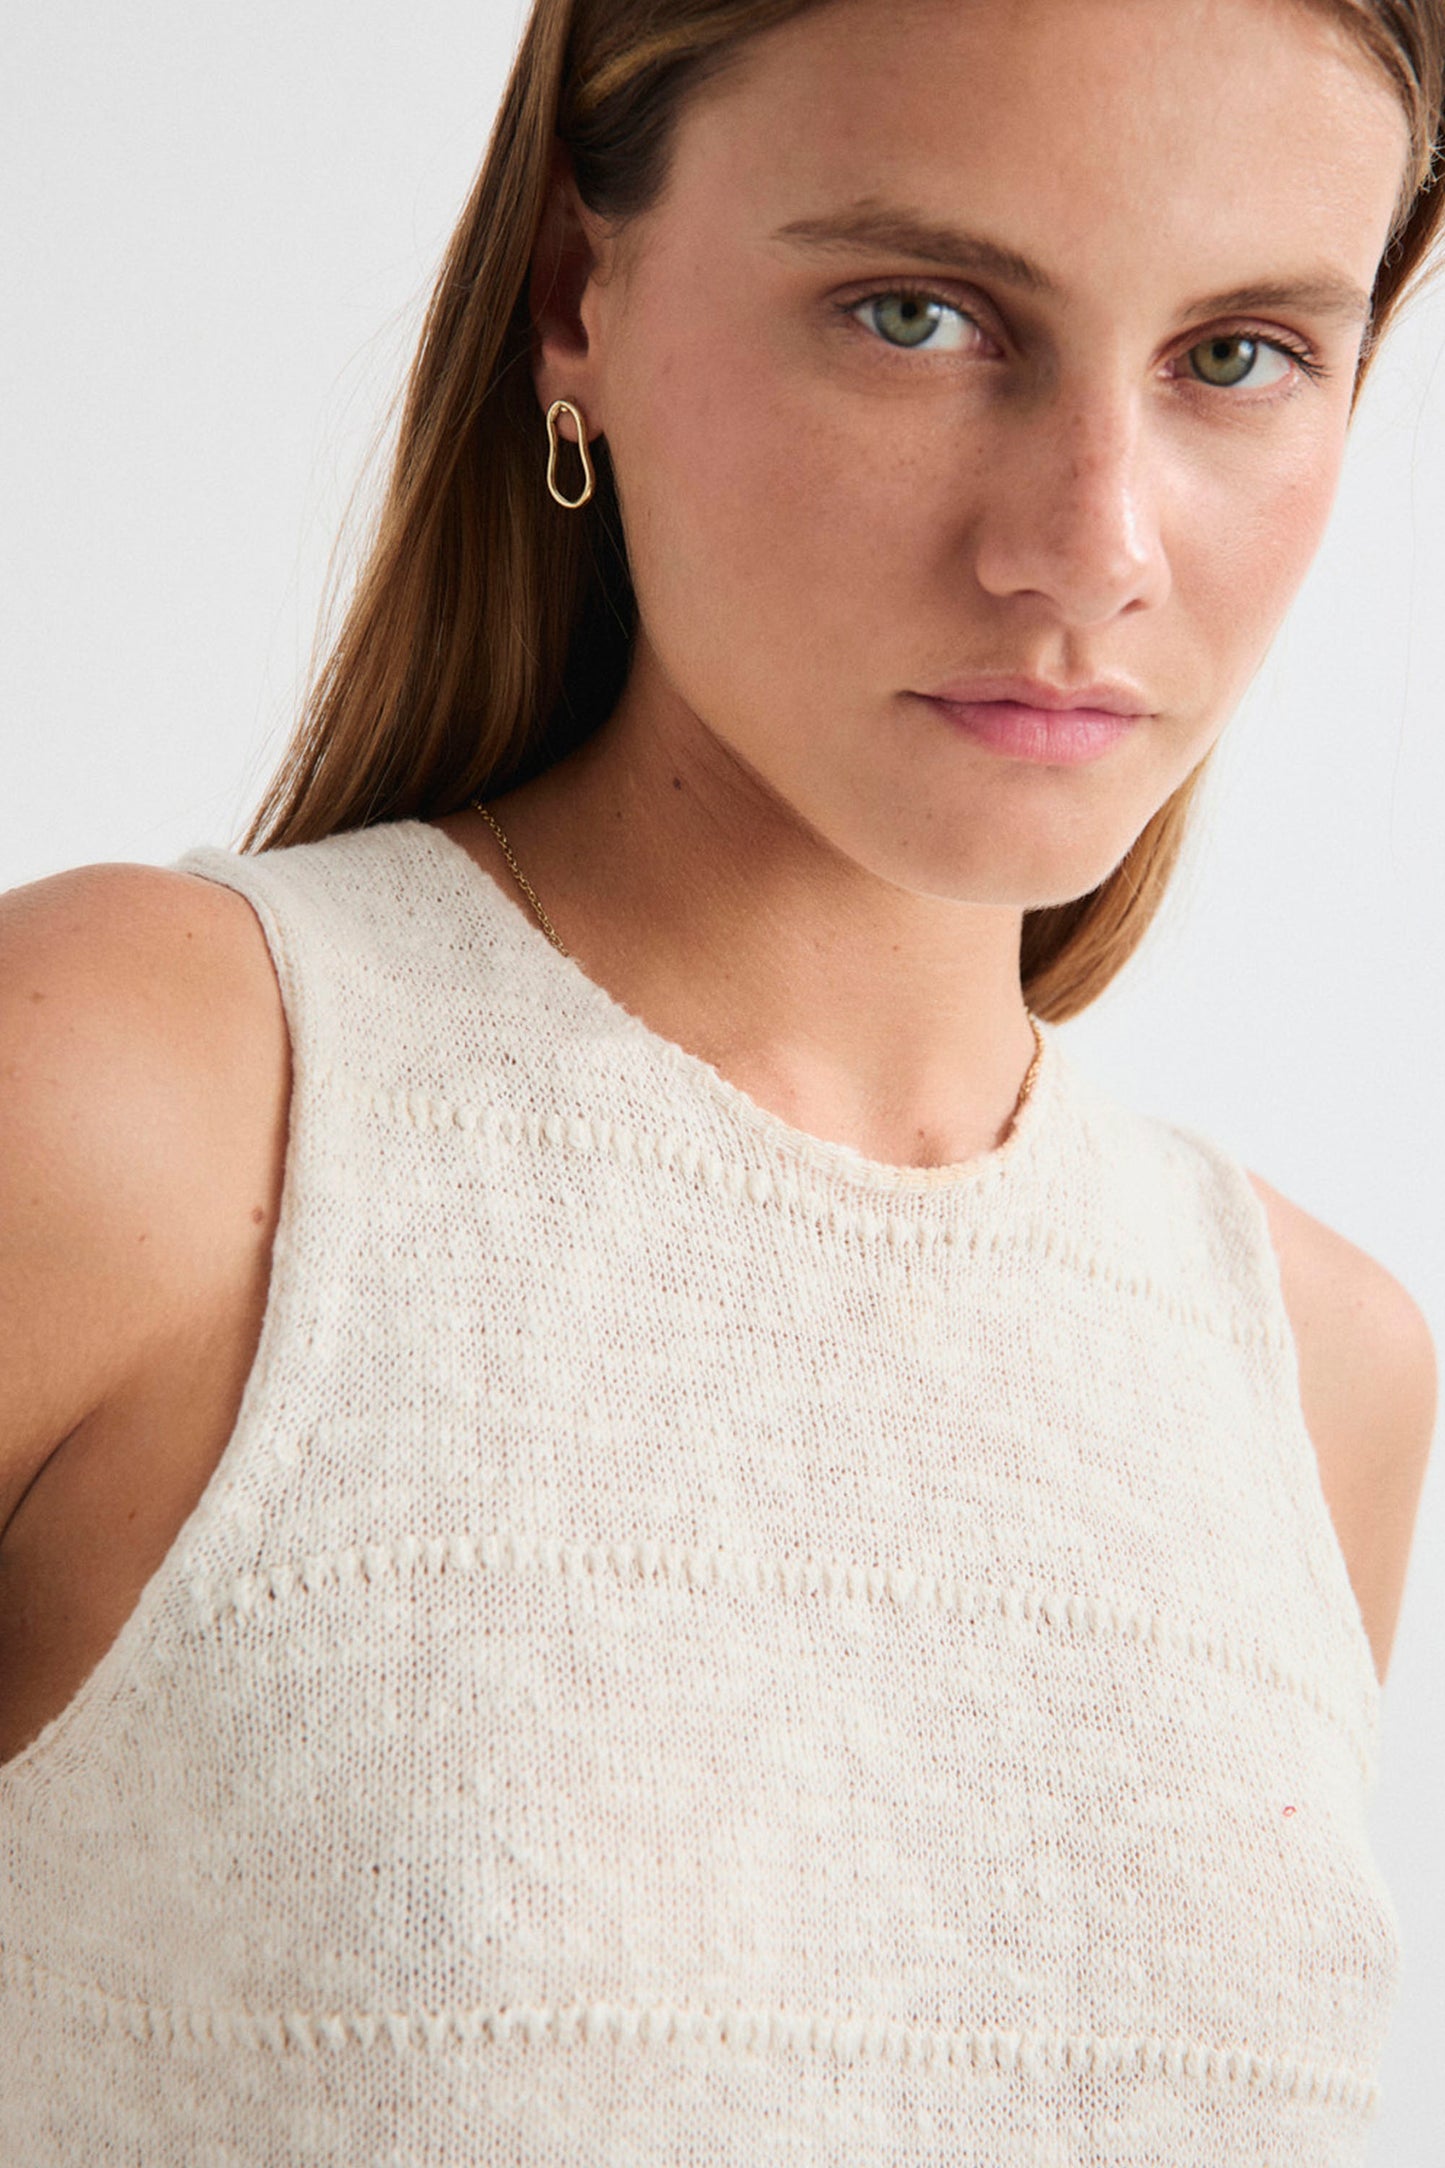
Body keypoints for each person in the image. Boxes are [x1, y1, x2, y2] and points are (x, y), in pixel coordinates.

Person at [1, 0, 1439, 2158]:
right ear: (578, 292)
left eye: (1239, 353)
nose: (1090, 544)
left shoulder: (1312, 1372)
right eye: (920, 313)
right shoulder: (141, 1104)